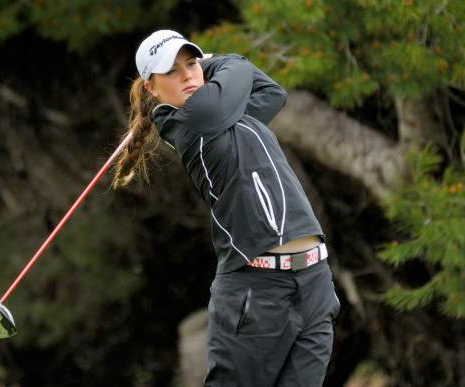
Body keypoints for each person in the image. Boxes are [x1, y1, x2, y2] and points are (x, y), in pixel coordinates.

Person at [112, 29, 340, 387]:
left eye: (191, 64)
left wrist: (205, 65)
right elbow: (241, 68)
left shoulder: (227, 115)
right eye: (172, 71)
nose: (187, 75)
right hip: (256, 293)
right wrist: (213, 60)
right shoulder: (188, 123)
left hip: (313, 285)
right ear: (151, 88)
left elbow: (271, 93)